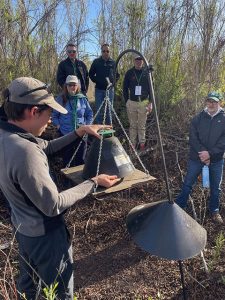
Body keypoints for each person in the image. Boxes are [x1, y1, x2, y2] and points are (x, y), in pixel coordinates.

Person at [0, 76, 118, 299]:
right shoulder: (25, 153)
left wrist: (80, 131)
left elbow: (47, 147)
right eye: (48, 114)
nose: (51, 121)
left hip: (23, 230)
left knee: (28, 287)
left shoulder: (9, 135)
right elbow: (52, 205)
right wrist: (93, 183)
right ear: (33, 111)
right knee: (59, 291)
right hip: (46, 237)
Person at [176, 92, 225, 224]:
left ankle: (214, 211)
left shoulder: (224, 118)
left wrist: (210, 154)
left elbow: (223, 141)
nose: (211, 104)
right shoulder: (198, 118)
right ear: (206, 102)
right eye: (209, 101)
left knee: (216, 188)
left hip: (216, 160)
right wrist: (203, 153)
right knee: (187, 184)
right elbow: (193, 137)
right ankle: (179, 206)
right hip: (196, 158)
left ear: (219, 102)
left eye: (214, 101)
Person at [52, 75, 93, 167]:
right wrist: (58, 125)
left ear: (77, 86)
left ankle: (80, 179)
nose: (72, 87)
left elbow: (89, 114)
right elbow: (54, 116)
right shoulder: (60, 99)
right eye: (69, 85)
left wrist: (87, 126)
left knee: (81, 159)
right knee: (67, 159)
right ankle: (67, 179)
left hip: (81, 133)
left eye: (74, 85)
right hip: (66, 134)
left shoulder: (82, 99)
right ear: (66, 86)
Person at [123, 55, 152, 151]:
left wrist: (150, 102)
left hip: (143, 102)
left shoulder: (147, 72)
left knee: (142, 125)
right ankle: (133, 145)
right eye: (137, 59)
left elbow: (152, 88)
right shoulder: (129, 73)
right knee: (133, 125)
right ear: (134, 61)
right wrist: (127, 100)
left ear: (143, 61)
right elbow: (124, 88)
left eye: (140, 59)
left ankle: (142, 145)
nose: (139, 61)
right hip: (132, 102)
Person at [89, 43, 119, 124]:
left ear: (110, 52)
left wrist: (113, 83)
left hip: (109, 90)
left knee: (109, 110)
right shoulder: (96, 62)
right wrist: (97, 80)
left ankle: (109, 128)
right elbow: (90, 74)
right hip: (99, 90)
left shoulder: (113, 62)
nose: (106, 52)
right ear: (101, 52)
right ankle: (99, 129)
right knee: (99, 110)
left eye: (107, 51)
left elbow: (117, 75)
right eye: (104, 51)